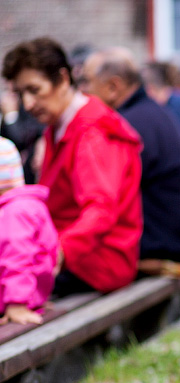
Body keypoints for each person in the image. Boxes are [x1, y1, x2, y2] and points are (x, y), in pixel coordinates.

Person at [2, 37, 143, 296]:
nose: (28, 104)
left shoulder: (91, 132)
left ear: (63, 78)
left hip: (95, 265)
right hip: (75, 258)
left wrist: (55, 254)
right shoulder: (62, 124)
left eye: (34, 90)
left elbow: (100, 210)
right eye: (20, 94)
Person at [80, 48, 180, 265]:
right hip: (173, 240)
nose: (82, 91)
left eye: (86, 81)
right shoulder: (151, 112)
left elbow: (104, 197)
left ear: (113, 86)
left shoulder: (125, 126)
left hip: (157, 247)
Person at [0, 137, 58, 325]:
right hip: (30, 294)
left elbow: (18, 257)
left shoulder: (15, 212)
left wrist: (17, 303)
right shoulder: (29, 206)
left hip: (14, 300)